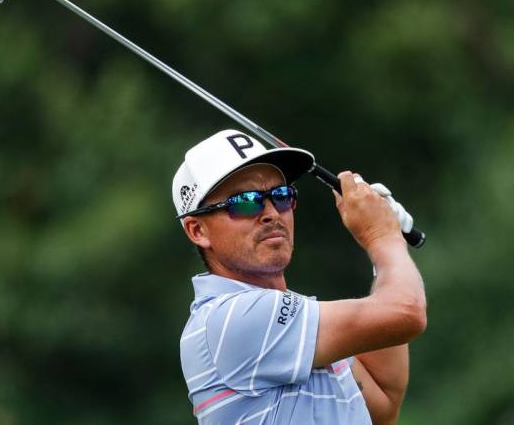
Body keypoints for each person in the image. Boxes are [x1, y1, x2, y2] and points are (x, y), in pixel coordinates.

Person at [172, 129, 427, 424]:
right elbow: (406, 312)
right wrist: (382, 237)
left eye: (280, 195)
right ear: (197, 230)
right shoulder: (227, 319)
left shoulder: (298, 327)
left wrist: (383, 252)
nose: (271, 213)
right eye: (245, 201)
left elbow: (383, 402)